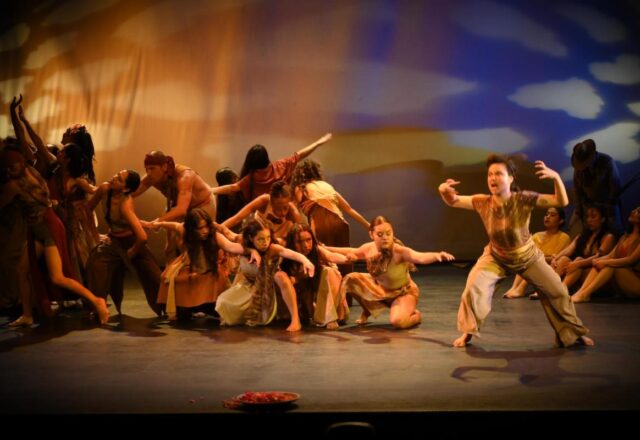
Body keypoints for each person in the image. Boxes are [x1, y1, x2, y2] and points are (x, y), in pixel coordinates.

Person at [438, 154, 593, 348]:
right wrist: (443, 190)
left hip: (527, 257)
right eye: (490, 174)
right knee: (473, 289)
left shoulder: (523, 199)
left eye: (499, 174)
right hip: (495, 257)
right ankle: (468, 334)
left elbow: (561, 202)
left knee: (558, 291)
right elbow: (453, 200)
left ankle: (572, 334)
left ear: (510, 178)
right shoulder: (482, 201)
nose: (492, 178)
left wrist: (555, 177)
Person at [0, 148, 109, 326]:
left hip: (47, 228)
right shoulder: (31, 173)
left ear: (20, 163)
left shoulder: (15, 184)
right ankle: (27, 315)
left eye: (12, 166)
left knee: (57, 277)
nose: (9, 170)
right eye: (7, 167)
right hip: (39, 229)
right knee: (22, 270)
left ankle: (97, 301)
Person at [330, 216, 454, 329]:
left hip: (403, 292)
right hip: (380, 291)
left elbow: (419, 257)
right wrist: (325, 248)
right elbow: (350, 251)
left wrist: (437, 255)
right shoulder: (369, 248)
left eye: (388, 233)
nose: (385, 237)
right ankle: (367, 310)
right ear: (371, 235)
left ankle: (416, 316)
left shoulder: (399, 252)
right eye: (380, 234)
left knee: (397, 322)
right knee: (351, 279)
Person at [149, 208, 251, 321]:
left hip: (209, 274)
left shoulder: (215, 236)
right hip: (189, 270)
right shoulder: (185, 231)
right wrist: (159, 224)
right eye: (200, 228)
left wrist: (252, 250)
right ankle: (187, 308)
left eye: (206, 226)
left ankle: (206, 307)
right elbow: (174, 225)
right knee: (171, 282)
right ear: (191, 229)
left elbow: (231, 247)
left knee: (217, 308)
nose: (205, 231)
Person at [85, 170, 163, 316]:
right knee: (95, 265)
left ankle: (173, 309)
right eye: (116, 174)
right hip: (113, 239)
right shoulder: (104, 189)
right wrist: (95, 235)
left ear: (126, 188)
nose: (114, 177)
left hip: (130, 241)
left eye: (119, 179)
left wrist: (132, 251)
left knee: (154, 277)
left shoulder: (125, 204)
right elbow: (87, 209)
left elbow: (142, 237)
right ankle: (96, 308)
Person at [215, 219, 314, 332]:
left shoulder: (272, 248)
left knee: (280, 276)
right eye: (261, 239)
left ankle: (295, 320)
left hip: (269, 289)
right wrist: (211, 225)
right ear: (251, 238)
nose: (265, 242)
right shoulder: (243, 245)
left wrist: (305, 261)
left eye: (268, 237)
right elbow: (227, 238)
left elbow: (290, 253)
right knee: (224, 303)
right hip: (249, 286)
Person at [290, 159, 370, 278]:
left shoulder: (300, 189)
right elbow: (349, 209)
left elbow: (292, 210)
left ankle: (328, 292)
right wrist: (369, 226)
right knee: (345, 265)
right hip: (340, 225)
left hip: (320, 227)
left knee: (324, 262)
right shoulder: (327, 186)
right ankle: (346, 293)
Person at [132, 151, 216, 260]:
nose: (148, 173)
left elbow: (181, 209)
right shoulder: (151, 178)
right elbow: (132, 192)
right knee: (170, 246)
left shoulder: (184, 176)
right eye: (146, 169)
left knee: (201, 243)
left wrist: (155, 223)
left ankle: (202, 273)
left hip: (203, 205)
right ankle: (171, 273)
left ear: (164, 166)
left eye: (152, 168)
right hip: (179, 206)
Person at [213, 133, 332, 202]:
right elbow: (300, 155)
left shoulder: (252, 178)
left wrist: (211, 190)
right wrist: (317, 143)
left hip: (262, 219)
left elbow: (233, 187)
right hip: (284, 213)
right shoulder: (280, 166)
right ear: (266, 157)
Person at [281, 223, 352, 329]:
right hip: (305, 305)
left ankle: (330, 317)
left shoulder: (316, 250)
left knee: (329, 271)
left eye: (308, 240)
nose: (305, 245)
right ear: (292, 243)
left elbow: (331, 256)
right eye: (299, 242)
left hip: (329, 303)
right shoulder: (288, 258)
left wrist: (348, 259)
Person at [572, 206, 640, 302]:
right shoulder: (625, 236)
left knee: (609, 265)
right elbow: (611, 255)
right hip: (621, 281)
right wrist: (598, 260)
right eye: (634, 210)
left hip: (635, 280)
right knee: (602, 262)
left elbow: (630, 260)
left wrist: (606, 262)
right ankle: (582, 292)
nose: (633, 211)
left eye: (638, 212)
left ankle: (585, 293)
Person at [503, 207, 571, 299]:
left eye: (552, 215)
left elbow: (556, 258)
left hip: (551, 268)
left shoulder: (564, 237)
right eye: (547, 214)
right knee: (526, 260)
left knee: (533, 261)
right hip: (536, 265)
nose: (548, 217)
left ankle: (522, 289)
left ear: (561, 221)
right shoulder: (537, 236)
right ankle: (514, 287)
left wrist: (539, 257)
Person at [569, 139, 622, 236]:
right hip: (588, 205)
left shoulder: (607, 162)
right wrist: (578, 211)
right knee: (582, 232)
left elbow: (615, 187)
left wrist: (608, 212)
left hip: (608, 204)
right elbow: (577, 190)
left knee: (613, 231)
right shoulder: (579, 169)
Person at [222, 180, 302, 243]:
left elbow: (303, 233)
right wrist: (217, 229)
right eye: (278, 208)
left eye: (285, 208)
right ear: (271, 202)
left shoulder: (293, 212)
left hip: (277, 243)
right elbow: (237, 218)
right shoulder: (264, 201)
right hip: (255, 236)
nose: (283, 213)